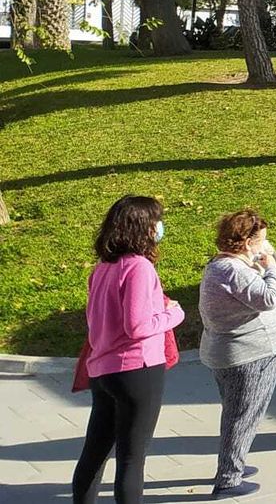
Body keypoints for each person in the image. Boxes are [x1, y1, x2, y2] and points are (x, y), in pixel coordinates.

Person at [72, 195, 186, 504]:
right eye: (156, 221)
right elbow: (137, 326)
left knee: (94, 454)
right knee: (131, 459)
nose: (159, 227)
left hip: (103, 370)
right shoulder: (139, 268)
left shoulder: (102, 269)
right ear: (142, 228)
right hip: (137, 370)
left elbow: (97, 319)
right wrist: (174, 313)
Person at [199, 210, 276, 498]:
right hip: (248, 356)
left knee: (239, 412)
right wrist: (271, 269)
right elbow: (268, 298)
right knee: (243, 415)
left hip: (236, 353)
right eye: (261, 241)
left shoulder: (222, 265)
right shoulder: (232, 270)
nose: (265, 247)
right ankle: (229, 479)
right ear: (246, 242)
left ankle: (235, 463)